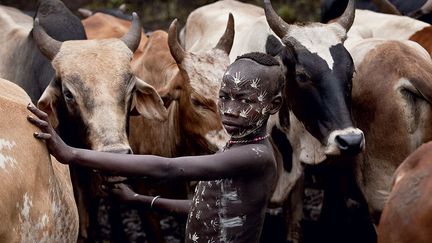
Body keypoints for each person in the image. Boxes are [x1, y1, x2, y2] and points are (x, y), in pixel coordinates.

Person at [27, 52, 285, 243]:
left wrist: (71, 153)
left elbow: (168, 167)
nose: (229, 109)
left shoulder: (256, 156)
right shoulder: (237, 145)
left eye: (244, 100)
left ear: (273, 105)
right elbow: (205, 206)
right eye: (224, 96)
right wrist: (139, 199)